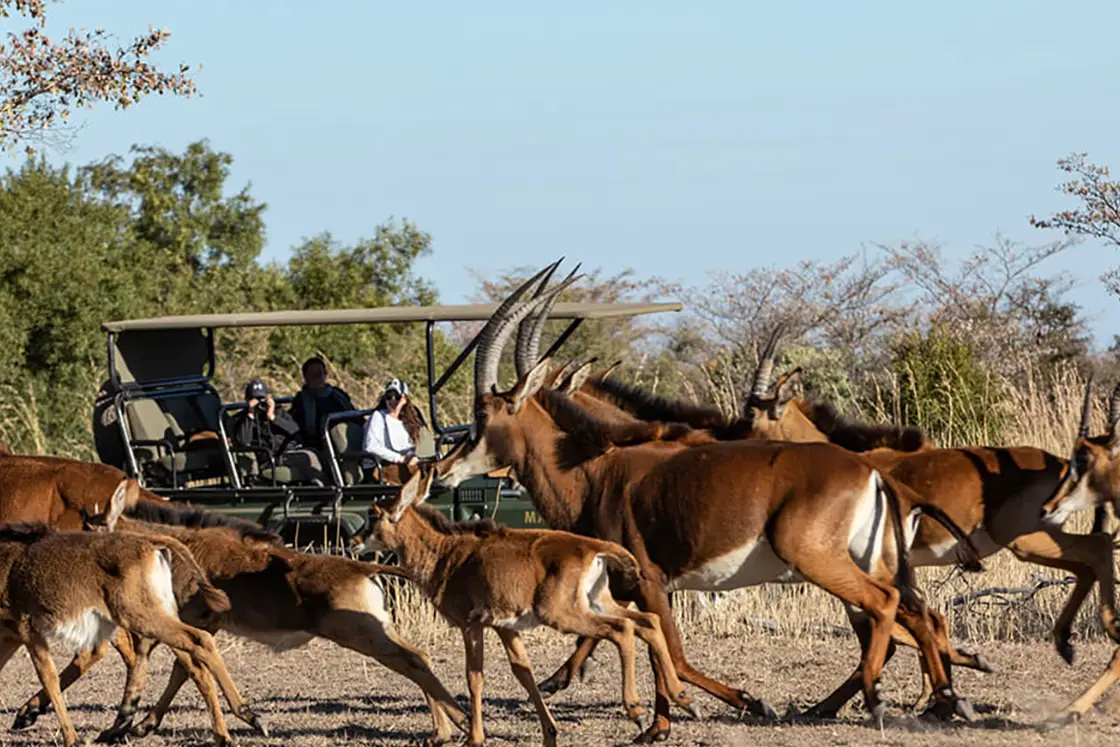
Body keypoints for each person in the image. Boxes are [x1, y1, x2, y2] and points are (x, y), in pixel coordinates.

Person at [232, 378, 324, 485]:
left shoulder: (279, 412)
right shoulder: (242, 419)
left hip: (288, 453)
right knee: (307, 458)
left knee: (314, 454)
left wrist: (273, 417)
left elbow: (296, 431)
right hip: (269, 459)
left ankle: (328, 487)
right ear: (247, 400)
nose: (259, 403)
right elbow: (243, 441)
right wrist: (250, 414)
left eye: (262, 398)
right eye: (254, 399)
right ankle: (322, 490)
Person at [362, 378, 425, 481]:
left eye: (397, 397)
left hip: (404, 465)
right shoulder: (378, 417)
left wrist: (414, 457)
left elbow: (421, 446)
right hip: (380, 467)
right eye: (388, 397)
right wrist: (399, 458)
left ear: (404, 399)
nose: (392, 400)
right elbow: (370, 446)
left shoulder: (410, 421)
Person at [288, 356, 355, 450]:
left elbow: (353, 416)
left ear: (325, 374)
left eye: (319, 374)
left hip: (343, 440)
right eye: (312, 374)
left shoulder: (338, 395)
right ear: (305, 377)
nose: (316, 377)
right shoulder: (301, 400)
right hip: (315, 444)